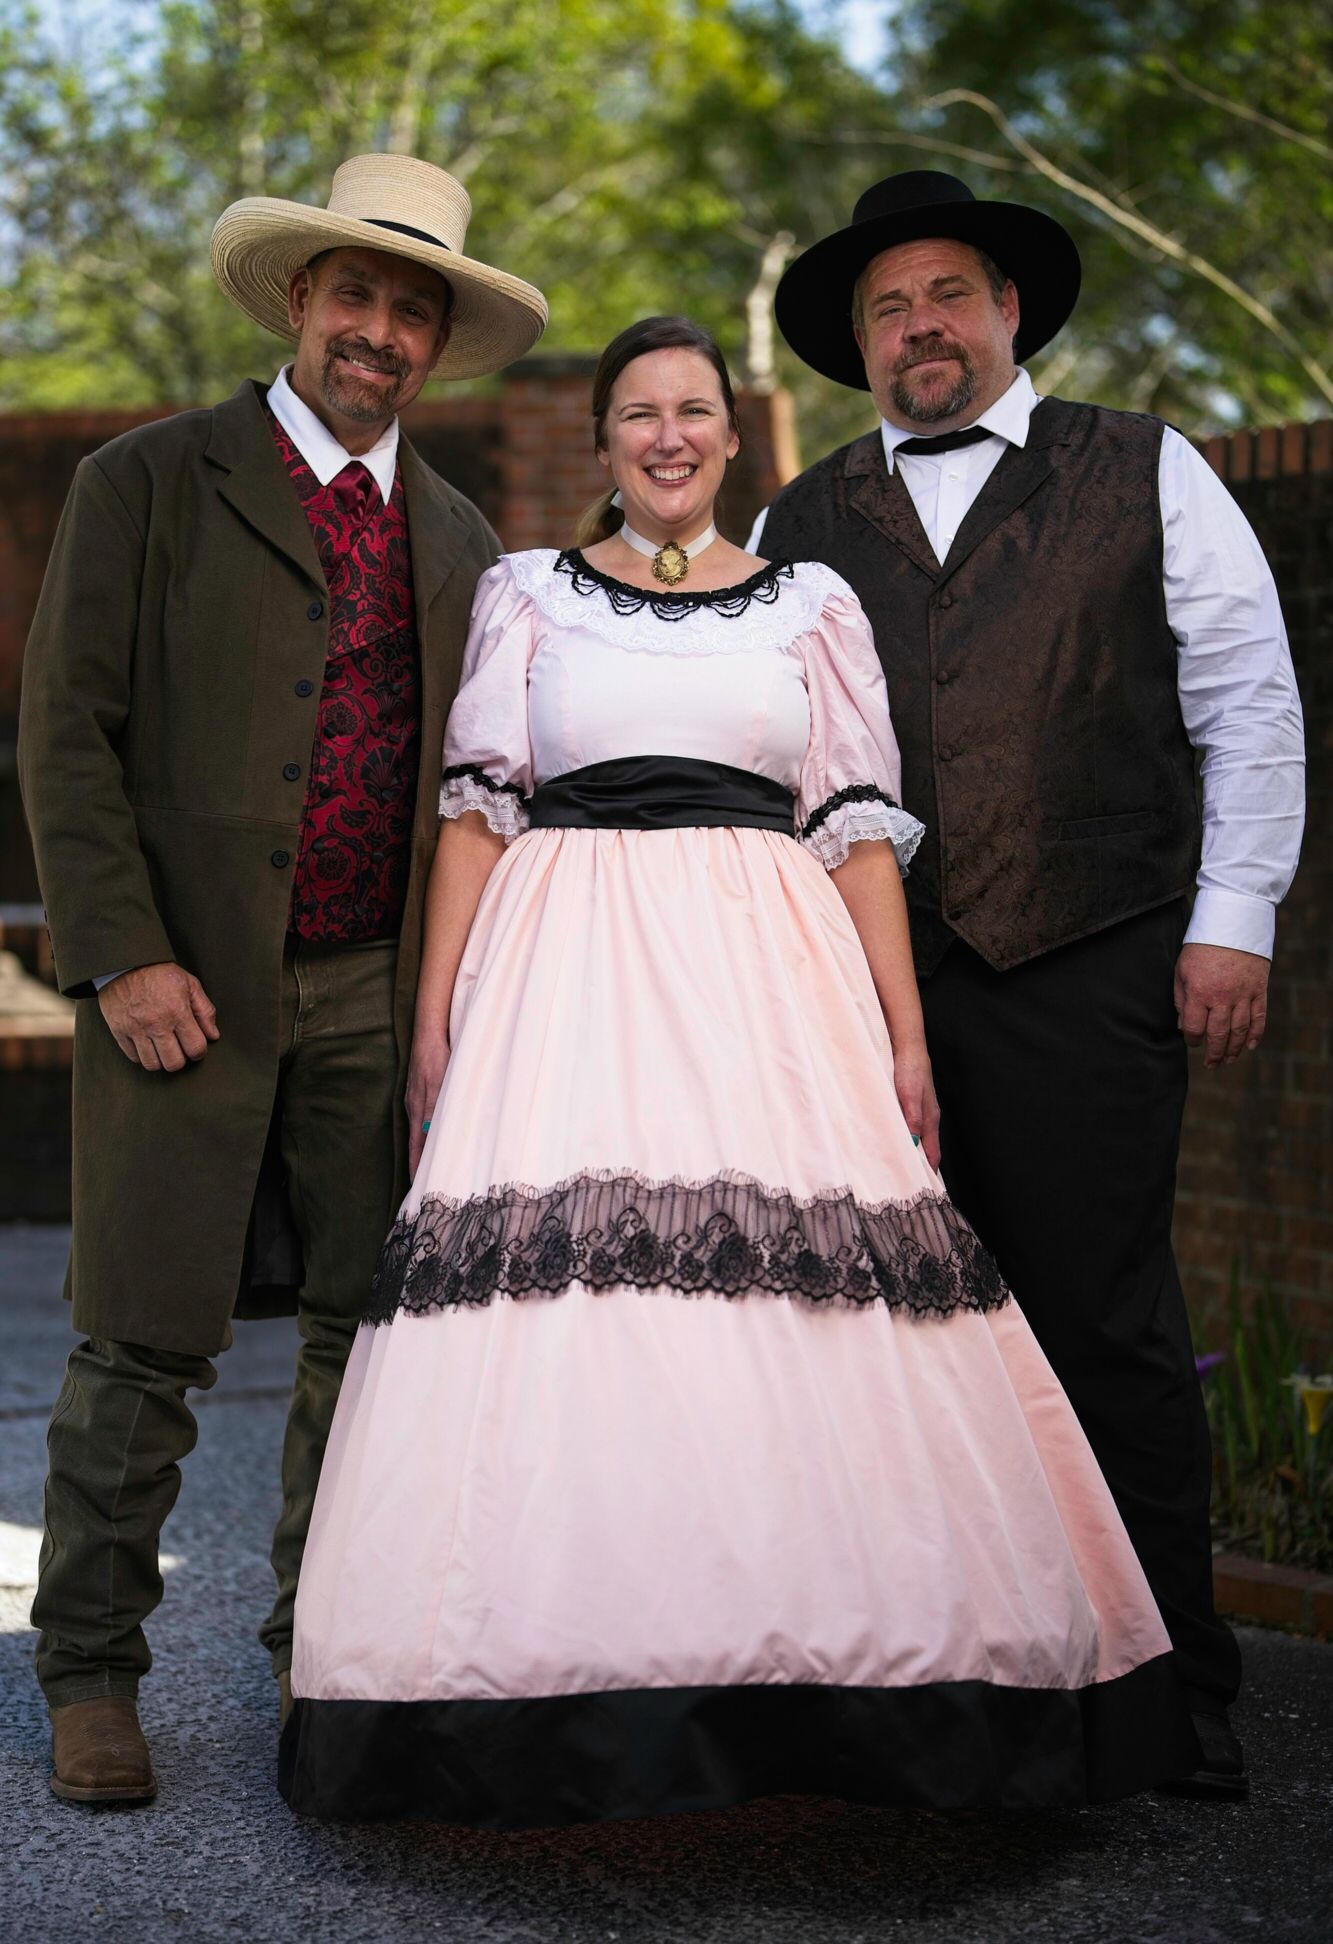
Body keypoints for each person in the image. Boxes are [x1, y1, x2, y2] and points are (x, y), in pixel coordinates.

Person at [277, 314, 1198, 1827]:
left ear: (730, 436)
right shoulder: (524, 596)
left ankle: (837, 1701)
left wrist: (902, 1037)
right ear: (602, 443)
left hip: (769, 986)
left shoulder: (809, 603)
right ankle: (529, 1695)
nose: (665, 436)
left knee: (801, 1308)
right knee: (575, 1318)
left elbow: (851, 833)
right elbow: (471, 816)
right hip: (563, 980)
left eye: (692, 410)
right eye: (636, 412)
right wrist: (437, 1015)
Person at [751, 170, 1306, 1800]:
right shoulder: (804, 518)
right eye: (883, 307)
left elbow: (1248, 704)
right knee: (883, 1339)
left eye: (944, 294)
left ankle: (1170, 1692)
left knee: (1104, 1324)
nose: (916, 325)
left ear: (1007, 312)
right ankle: (936, 1688)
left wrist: (1234, 922)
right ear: (858, 345)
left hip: (1091, 956)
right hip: (865, 991)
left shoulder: (1149, 469)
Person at [17, 153, 547, 1805]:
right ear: (299, 301)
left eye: (411, 307)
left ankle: (322, 1654)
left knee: (355, 1341)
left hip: (372, 997)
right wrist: (120, 956)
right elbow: (65, 737)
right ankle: (92, 1676)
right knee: (138, 1346)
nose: (377, 329)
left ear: (432, 340)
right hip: (180, 990)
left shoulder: (458, 539)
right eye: (355, 294)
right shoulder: (148, 482)